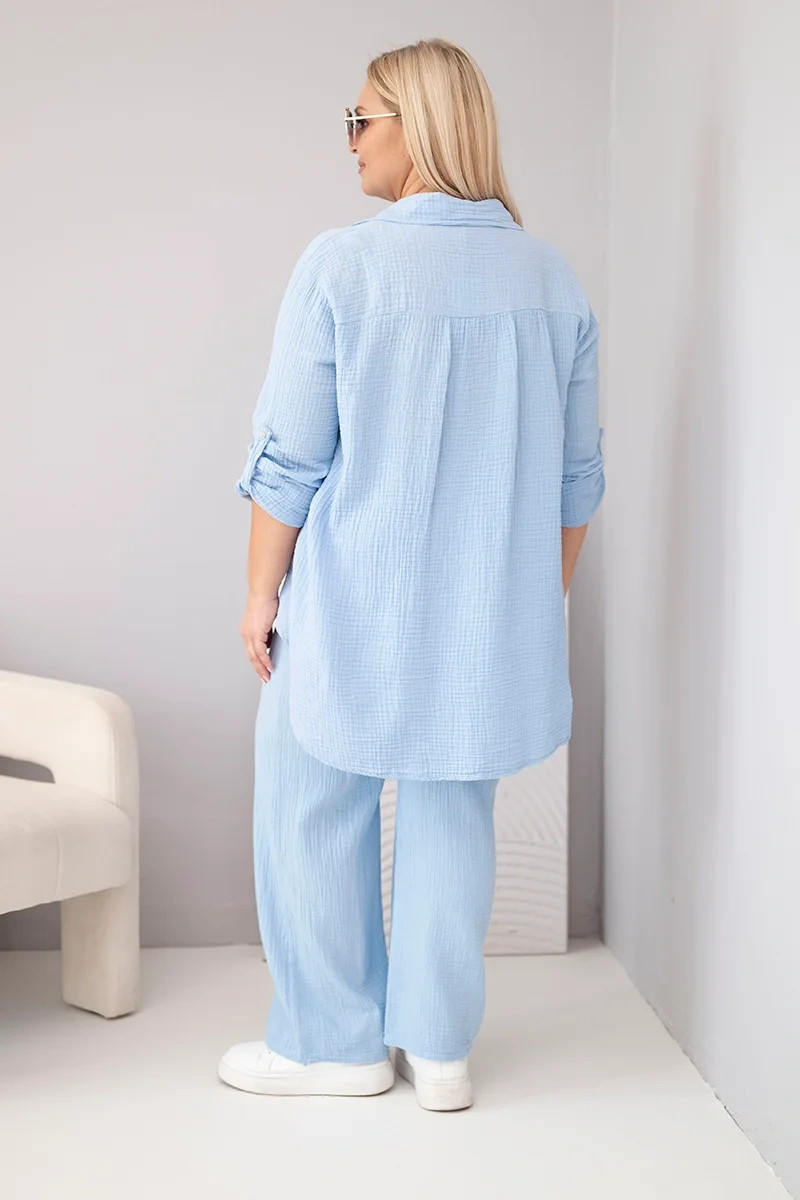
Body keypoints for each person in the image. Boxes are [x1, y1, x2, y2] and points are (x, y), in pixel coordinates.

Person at [218, 37, 606, 1111]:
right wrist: (528, 600)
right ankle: (438, 1051)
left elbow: (289, 459)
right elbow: (576, 481)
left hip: (348, 604)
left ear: (419, 126)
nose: (349, 141)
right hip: (487, 620)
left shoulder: (342, 266)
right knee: (451, 813)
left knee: (310, 807)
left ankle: (334, 1044)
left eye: (362, 119)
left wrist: (260, 594)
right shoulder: (551, 278)